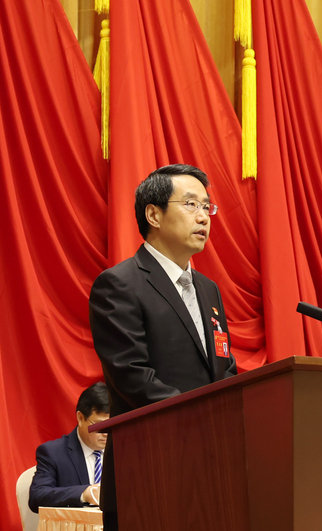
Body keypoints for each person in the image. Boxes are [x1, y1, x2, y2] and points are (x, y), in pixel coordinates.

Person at [89, 164, 237, 530]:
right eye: (191, 204)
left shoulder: (209, 289)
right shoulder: (119, 284)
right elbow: (132, 376)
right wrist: (204, 419)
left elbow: (224, 366)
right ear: (153, 215)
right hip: (148, 470)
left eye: (207, 207)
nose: (203, 217)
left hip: (213, 470)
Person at [28, 383, 109, 512]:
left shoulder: (124, 450)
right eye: (100, 426)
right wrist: (84, 494)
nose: (106, 433)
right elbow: (37, 497)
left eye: (111, 424)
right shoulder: (53, 453)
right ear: (80, 418)